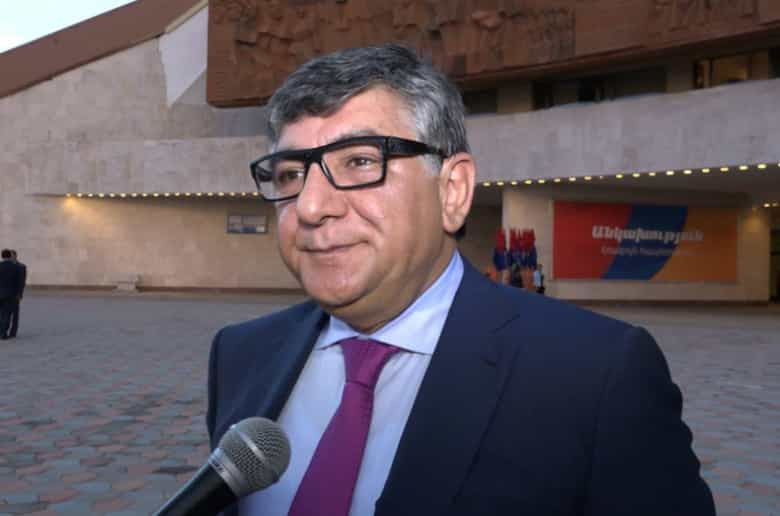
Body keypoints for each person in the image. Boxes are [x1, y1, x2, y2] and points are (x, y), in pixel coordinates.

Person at [207, 44, 714, 516]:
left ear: (452, 191)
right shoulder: (241, 354)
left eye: (360, 161)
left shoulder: (597, 375)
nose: (311, 206)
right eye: (290, 175)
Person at [0, 249, 22, 340]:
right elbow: (19, 282)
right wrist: (19, 293)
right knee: (7, 314)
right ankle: (3, 332)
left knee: (1, 313)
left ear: (2, 256)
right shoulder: (16, 267)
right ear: (9, 256)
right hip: (10, 294)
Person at [8, 250, 26, 338]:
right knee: (5, 314)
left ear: (15, 256)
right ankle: (4, 330)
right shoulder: (5, 266)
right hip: (5, 294)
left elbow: (22, 282)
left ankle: (13, 332)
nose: (10, 257)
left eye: (11, 256)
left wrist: (20, 294)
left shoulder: (21, 267)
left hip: (15, 294)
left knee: (15, 314)